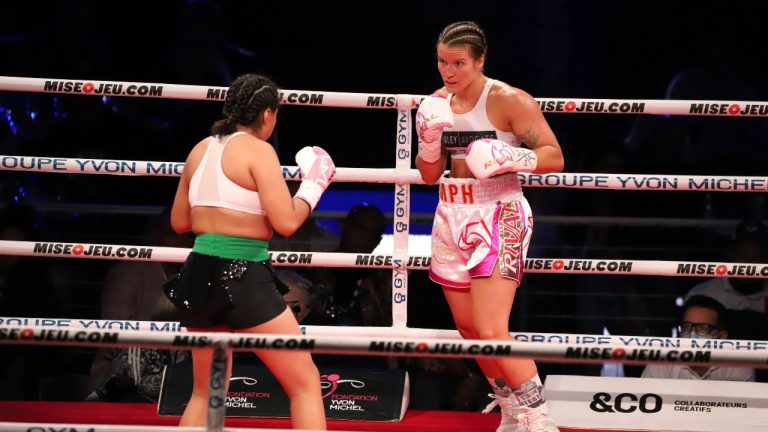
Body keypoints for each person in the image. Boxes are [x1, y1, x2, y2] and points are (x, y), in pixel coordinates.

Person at [415, 21, 564, 432]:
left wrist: (508, 157)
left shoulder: (508, 100)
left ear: (480, 60)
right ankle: (510, 408)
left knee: (492, 327)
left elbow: (553, 155)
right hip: (451, 214)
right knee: (468, 329)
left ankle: (539, 416)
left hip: (499, 211)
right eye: (442, 61)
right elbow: (429, 175)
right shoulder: (434, 104)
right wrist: (428, 141)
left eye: (458, 62)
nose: (448, 71)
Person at [164, 73, 334, 429]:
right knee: (304, 384)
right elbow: (286, 223)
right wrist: (313, 186)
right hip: (242, 274)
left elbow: (180, 221)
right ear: (268, 114)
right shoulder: (259, 150)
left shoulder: (200, 149)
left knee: (206, 391)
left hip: (198, 272)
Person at [87, 208, 193, 402]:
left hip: (177, 369)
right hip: (122, 374)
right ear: (157, 233)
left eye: (187, 236)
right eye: (174, 235)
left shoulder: (193, 275)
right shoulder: (127, 272)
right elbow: (116, 338)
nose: (181, 242)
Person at [684, 219, 768, 341]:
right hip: (713, 359)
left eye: (757, 257)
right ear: (730, 254)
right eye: (742, 256)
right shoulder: (704, 293)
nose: (748, 265)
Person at [642, 295, 755, 381]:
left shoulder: (738, 366)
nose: (691, 333)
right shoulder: (662, 361)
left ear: (721, 336)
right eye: (687, 326)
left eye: (702, 328)